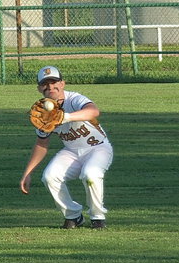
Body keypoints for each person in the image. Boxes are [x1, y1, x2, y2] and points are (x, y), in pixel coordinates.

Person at [20, 66, 113, 229]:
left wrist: (66, 117)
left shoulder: (74, 99)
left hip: (98, 148)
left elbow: (93, 111)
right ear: (39, 88)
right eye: (45, 84)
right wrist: (28, 173)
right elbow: (42, 144)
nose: (50, 87)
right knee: (49, 176)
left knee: (91, 174)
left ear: (62, 83)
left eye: (54, 82)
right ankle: (73, 215)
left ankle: (97, 217)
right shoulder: (41, 113)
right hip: (71, 152)